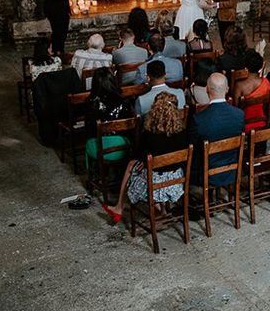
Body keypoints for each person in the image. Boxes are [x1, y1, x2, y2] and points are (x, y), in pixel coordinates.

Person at [102, 92, 187, 224]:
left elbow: (140, 155)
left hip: (154, 185)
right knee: (143, 165)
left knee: (131, 164)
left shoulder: (149, 135)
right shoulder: (182, 133)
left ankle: (119, 207)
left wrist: (142, 162)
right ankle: (161, 208)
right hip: (176, 184)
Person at [185, 72, 245, 190]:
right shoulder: (240, 114)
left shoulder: (199, 119)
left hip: (206, 173)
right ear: (227, 89)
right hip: (233, 169)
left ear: (207, 89)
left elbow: (190, 146)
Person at [85, 66, 134, 168]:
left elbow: (88, 129)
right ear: (113, 80)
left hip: (98, 147)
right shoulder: (124, 101)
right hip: (122, 146)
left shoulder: (89, 102)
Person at [232, 49, 270, 132]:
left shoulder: (240, 86)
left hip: (244, 124)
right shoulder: (266, 82)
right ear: (260, 66)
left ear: (246, 67)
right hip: (262, 121)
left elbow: (235, 107)